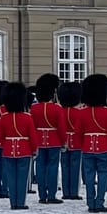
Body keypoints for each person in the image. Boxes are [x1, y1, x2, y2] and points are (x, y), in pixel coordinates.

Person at [76, 74, 107, 213]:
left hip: (88, 147)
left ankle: (90, 202)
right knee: (103, 174)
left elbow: (78, 132)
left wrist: (81, 145)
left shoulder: (82, 112)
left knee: (89, 175)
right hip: (104, 147)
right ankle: (99, 202)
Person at [0, 82, 39, 210]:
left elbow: (0, 136)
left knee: (11, 177)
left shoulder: (4, 117)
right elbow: (32, 136)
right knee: (22, 178)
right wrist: (34, 149)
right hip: (24, 150)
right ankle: (20, 202)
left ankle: (13, 203)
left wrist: (6, 145)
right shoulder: (27, 117)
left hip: (9, 150)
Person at [30, 74, 66, 204]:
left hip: (39, 140)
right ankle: (51, 195)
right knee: (53, 167)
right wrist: (63, 142)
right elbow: (61, 127)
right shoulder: (57, 108)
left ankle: (41, 195)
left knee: (40, 167)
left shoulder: (34, 108)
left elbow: (32, 127)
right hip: (54, 141)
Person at [59, 82, 83, 200]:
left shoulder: (60, 111)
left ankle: (66, 191)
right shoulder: (79, 113)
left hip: (63, 141)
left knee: (65, 167)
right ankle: (74, 192)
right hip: (76, 142)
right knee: (75, 168)